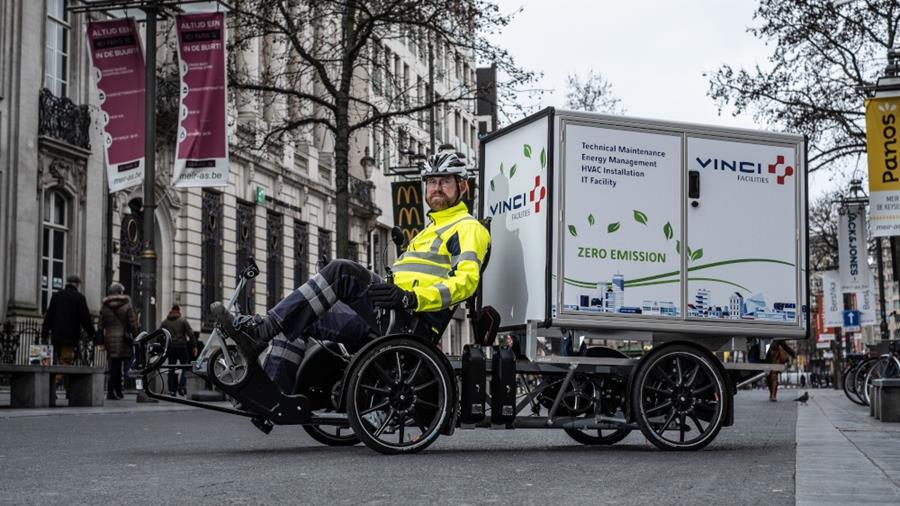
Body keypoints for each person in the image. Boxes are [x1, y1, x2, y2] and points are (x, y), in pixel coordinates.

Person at [212, 152, 491, 393]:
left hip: (411, 320)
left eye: (444, 181)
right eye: (431, 182)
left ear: (462, 186)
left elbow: (466, 283)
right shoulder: (427, 231)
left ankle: (262, 330)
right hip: (387, 315)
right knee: (300, 316)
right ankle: (272, 396)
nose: (436, 188)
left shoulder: (468, 228)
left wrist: (411, 298)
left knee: (342, 270)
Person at [41, 274, 95, 397]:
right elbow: (85, 319)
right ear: (77, 284)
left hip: (55, 336)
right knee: (66, 362)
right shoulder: (79, 298)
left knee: (58, 362)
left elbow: (49, 316)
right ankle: (51, 387)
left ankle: (68, 391)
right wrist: (92, 334)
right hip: (70, 337)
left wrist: (44, 334)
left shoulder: (56, 296)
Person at [98, 282, 139, 400]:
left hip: (109, 337)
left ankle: (118, 391)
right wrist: (136, 336)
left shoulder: (105, 306)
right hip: (123, 338)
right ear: (120, 292)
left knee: (114, 365)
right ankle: (112, 391)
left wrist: (100, 342)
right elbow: (133, 323)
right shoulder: (127, 305)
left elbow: (100, 326)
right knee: (119, 365)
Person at [159, 304, 196, 397]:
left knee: (171, 368)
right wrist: (194, 346)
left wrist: (163, 346)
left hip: (171, 348)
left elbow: (160, 335)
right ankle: (182, 385)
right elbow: (191, 334)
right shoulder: (183, 320)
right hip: (181, 346)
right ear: (179, 310)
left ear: (171, 310)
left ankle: (172, 390)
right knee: (185, 366)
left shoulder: (165, 322)